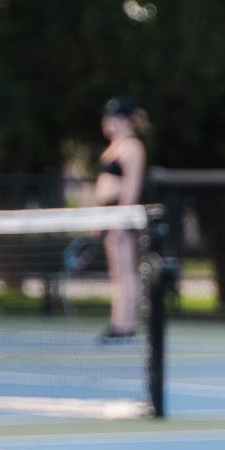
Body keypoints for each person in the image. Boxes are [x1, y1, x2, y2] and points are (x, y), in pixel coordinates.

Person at [94, 97, 147, 342]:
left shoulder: (132, 147)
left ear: (127, 121)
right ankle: (117, 320)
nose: (108, 123)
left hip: (121, 214)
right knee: (116, 271)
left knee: (125, 270)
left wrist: (120, 219)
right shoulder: (111, 148)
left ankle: (126, 324)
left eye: (114, 119)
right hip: (107, 213)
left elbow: (131, 186)